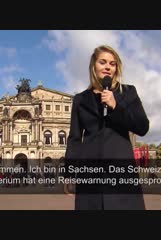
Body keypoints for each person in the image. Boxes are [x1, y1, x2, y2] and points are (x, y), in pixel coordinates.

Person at [64, 45, 150, 210]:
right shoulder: (80, 99)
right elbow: (74, 138)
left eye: (112, 63)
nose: (108, 67)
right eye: (103, 62)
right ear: (93, 66)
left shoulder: (128, 92)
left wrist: (115, 106)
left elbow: (142, 127)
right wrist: (69, 172)